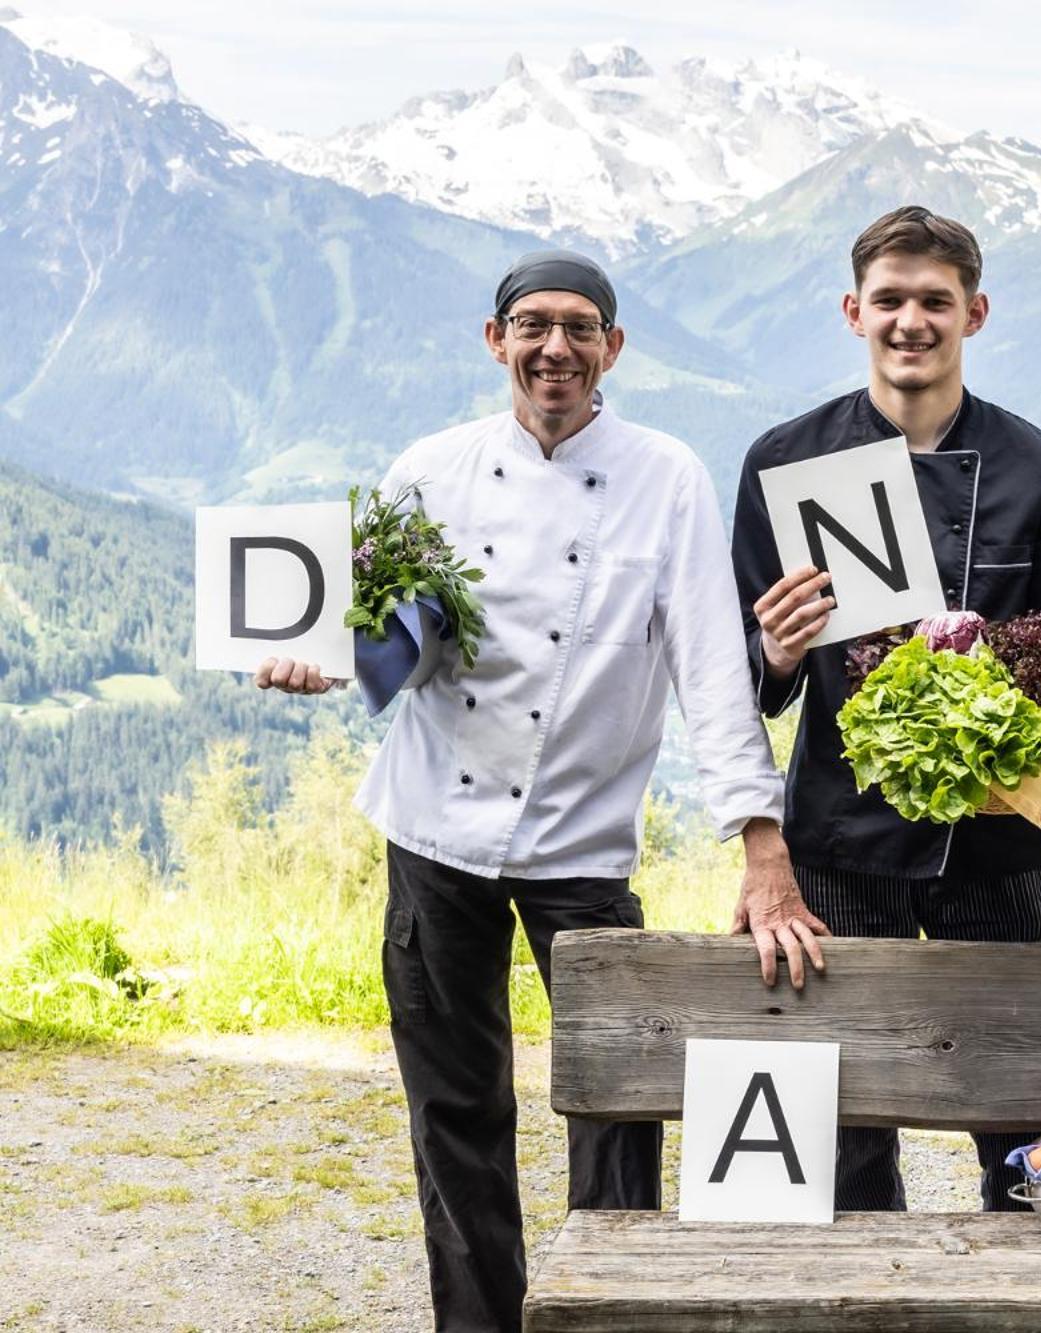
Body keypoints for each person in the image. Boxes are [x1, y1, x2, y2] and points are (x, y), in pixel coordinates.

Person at [256, 249, 826, 1332]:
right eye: (531, 325)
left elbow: (713, 668)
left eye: (578, 327)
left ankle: (606, 1314)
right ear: (494, 340)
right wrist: (317, 654)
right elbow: (382, 635)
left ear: (613, 348)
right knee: (455, 1110)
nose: (553, 347)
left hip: (582, 847)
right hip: (434, 835)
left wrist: (763, 849)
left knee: (617, 1105)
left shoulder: (667, 478)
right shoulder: (428, 466)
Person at [732, 205, 1041, 1211]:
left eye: (934, 301)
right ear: (853, 311)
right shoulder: (782, 460)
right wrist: (774, 648)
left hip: (999, 845)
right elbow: (745, 684)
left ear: (974, 314)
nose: (910, 321)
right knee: (835, 1134)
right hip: (839, 843)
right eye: (888, 300)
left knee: (1030, 1132)